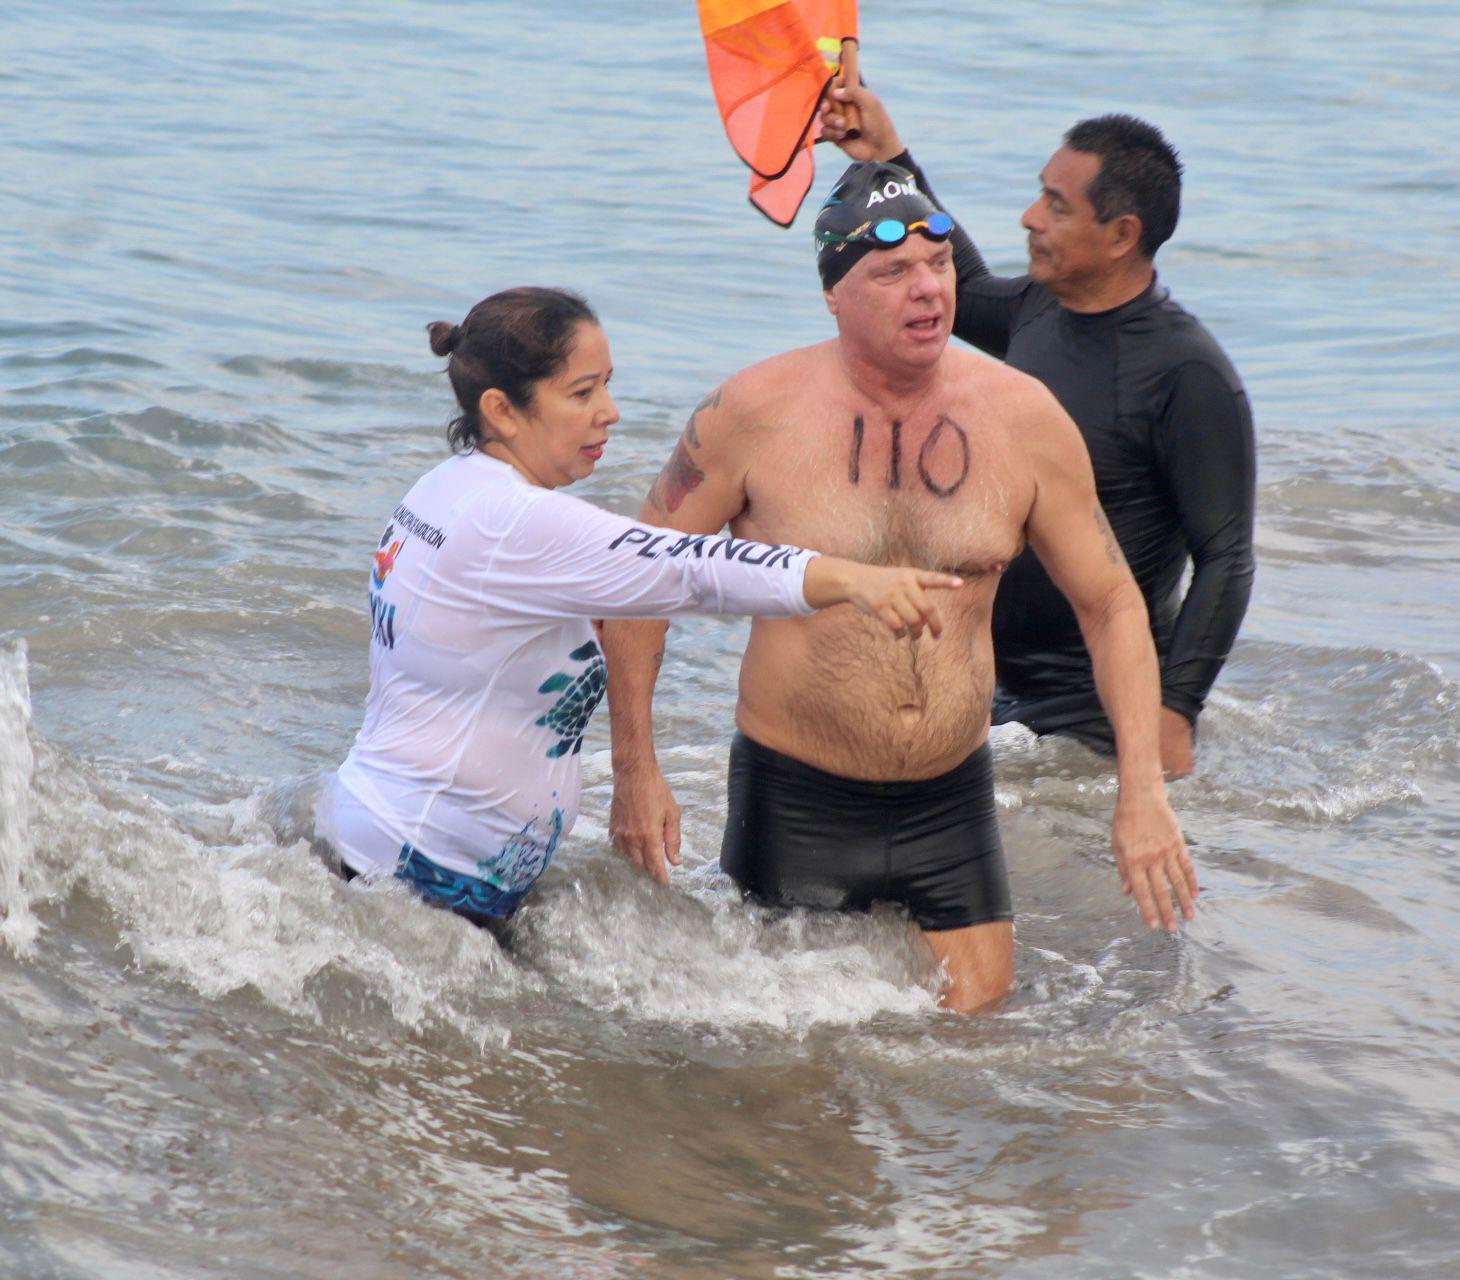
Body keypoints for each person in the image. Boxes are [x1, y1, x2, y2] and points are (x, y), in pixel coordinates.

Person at [601, 166, 1198, 1013]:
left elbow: (1112, 603)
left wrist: (1142, 790)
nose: (927, 290)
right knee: (780, 1076)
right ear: (836, 296)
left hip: (950, 798)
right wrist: (636, 770)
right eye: (892, 273)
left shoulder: (1026, 419)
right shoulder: (752, 412)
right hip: (796, 795)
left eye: (940, 265)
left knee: (978, 1040)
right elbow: (636, 579)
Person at [315, 286, 963, 929]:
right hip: (416, 873)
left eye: (608, 385)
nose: (611, 412)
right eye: (582, 392)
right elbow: (691, 570)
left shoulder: (448, 488)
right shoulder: (513, 521)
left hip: (388, 846)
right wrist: (850, 580)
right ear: (503, 411)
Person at [820, 86, 1256, 777]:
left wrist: (1174, 713)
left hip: (1093, 720)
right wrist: (887, 154)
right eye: (1039, 195)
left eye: (1056, 205)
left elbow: (1227, 557)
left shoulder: (1188, 374)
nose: (1030, 218)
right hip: (992, 692)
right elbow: (959, 279)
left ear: (1121, 235)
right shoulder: (1038, 310)